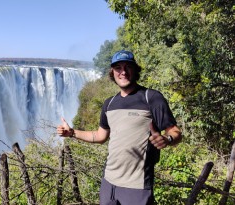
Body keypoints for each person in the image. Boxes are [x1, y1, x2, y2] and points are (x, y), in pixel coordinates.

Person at [57, 50, 182, 205]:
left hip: (137, 186)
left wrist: (167, 139)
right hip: (109, 182)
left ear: (135, 70)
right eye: (118, 68)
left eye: (128, 66)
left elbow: (175, 131)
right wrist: (72, 132)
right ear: (112, 72)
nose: (123, 72)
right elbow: (100, 136)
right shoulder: (109, 103)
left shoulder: (151, 98)